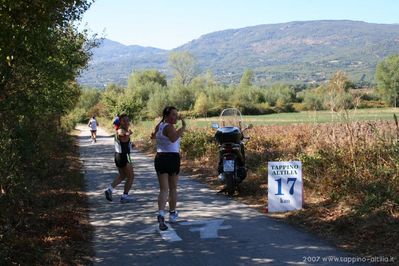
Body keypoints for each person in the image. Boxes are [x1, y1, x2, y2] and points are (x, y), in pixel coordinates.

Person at [151, 106, 186, 231]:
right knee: (173, 188)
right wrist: (183, 127)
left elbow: (152, 137)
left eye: (176, 114)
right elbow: (173, 139)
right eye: (173, 115)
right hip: (171, 158)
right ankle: (172, 214)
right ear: (166, 116)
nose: (176, 117)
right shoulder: (169, 127)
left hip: (160, 157)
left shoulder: (159, 126)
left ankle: (161, 213)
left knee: (163, 189)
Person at [104, 113, 135, 203]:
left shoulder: (122, 130)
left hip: (118, 156)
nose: (126, 122)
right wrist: (129, 133)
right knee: (131, 176)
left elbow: (124, 142)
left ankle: (109, 189)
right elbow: (122, 136)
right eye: (124, 120)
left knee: (122, 175)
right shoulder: (120, 130)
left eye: (127, 120)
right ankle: (125, 196)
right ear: (120, 122)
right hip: (124, 156)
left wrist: (130, 144)